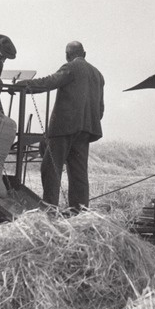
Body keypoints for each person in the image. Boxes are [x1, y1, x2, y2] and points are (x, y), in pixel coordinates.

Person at [25, 41, 104, 212]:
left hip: (65, 127)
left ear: (67, 55)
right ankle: (79, 212)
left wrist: (25, 85)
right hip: (86, 130)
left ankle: (49, 210)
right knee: (79, 173)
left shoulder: (71, 67)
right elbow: (101, 109)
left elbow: (50, 81)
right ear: (85, 53)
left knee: (51, 168)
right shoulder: (98, 75)